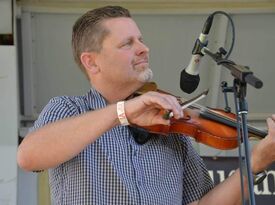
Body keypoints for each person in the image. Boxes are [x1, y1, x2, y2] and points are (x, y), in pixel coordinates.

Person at [17, 5, 275, 205]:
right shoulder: (69, 109)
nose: (144, 48)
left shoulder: (171, 126)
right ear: (92, 62)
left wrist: (254, 163)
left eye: (140, 39)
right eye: (127, 43)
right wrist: (124, 112)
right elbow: (29, 156)